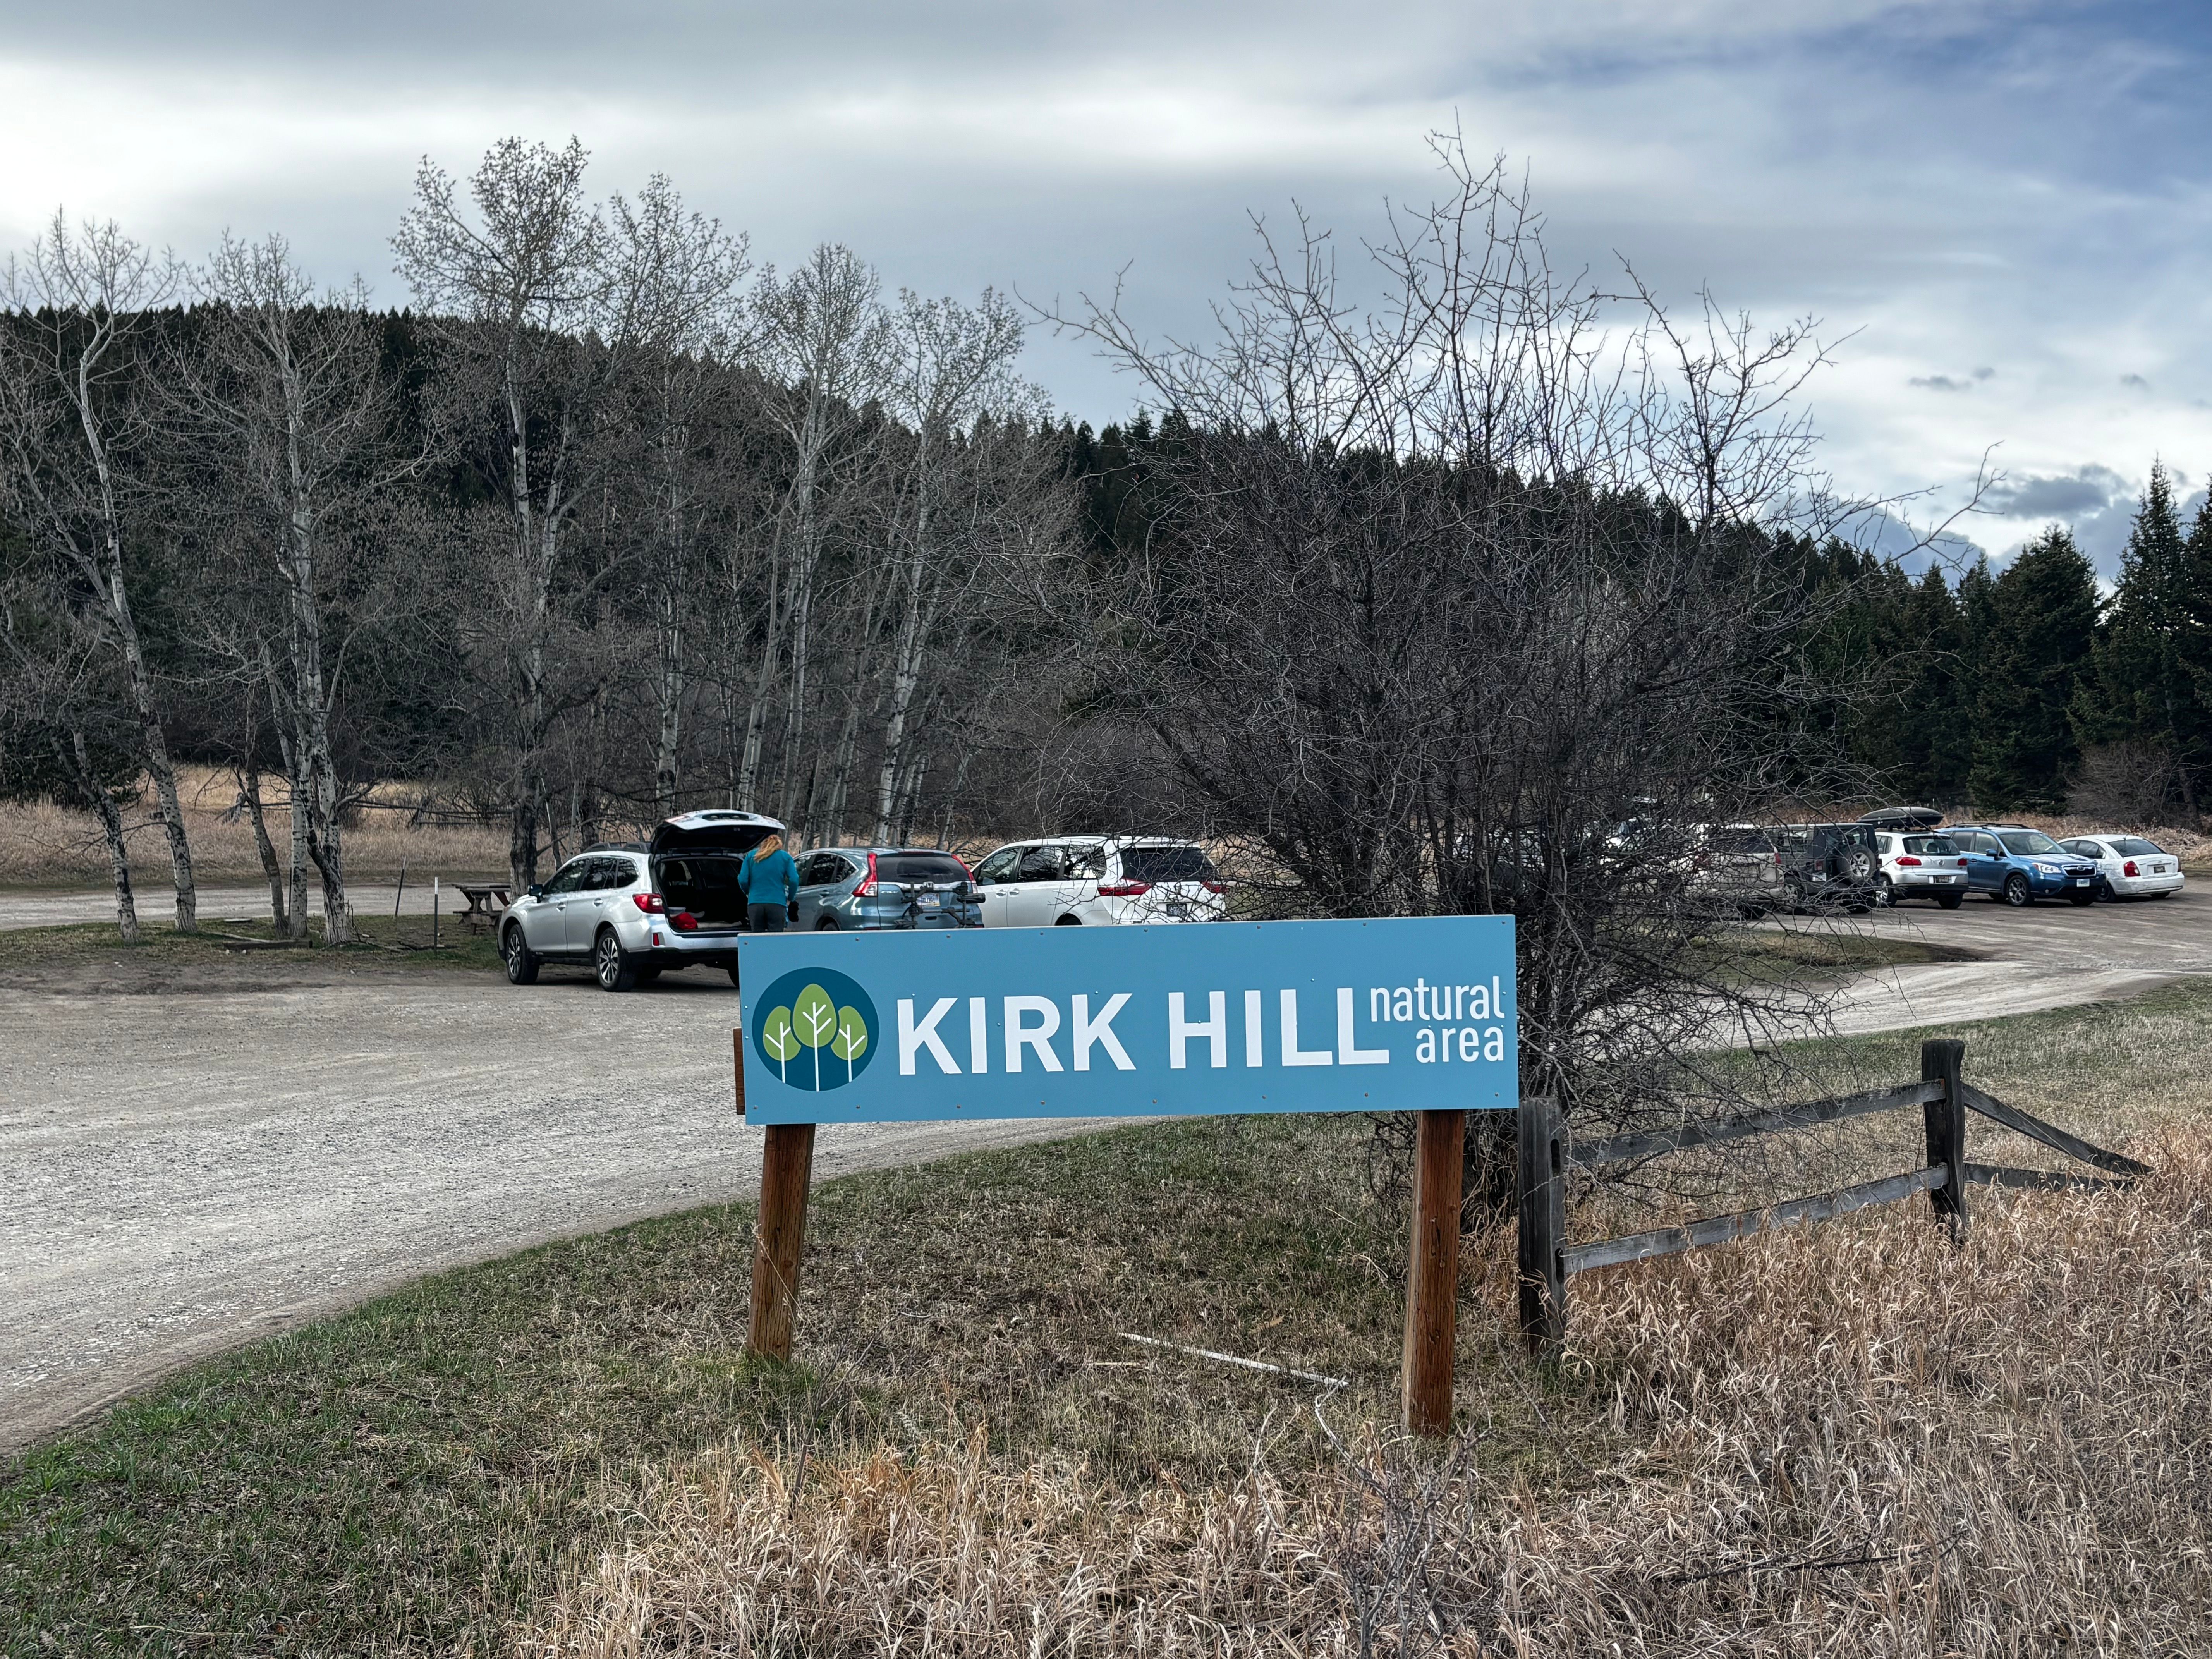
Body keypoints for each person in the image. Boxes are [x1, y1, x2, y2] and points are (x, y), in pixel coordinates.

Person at [740, 833, 799, 933]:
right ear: (779, 845)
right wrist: (790, 898)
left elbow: (743, 879)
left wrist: (747, 892)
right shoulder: (785, 857)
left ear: (763, 844)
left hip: (755, 903)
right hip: (777, 903)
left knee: (757, 938)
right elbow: (794, 879)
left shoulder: (751, 856)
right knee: (775, 940)